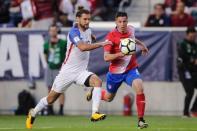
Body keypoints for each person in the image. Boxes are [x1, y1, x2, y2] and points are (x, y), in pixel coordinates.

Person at [26, 7, 111, 129]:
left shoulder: (87, 30)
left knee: (97, 81)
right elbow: (82, 47)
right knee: (50, 99)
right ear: (78, 19)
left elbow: (87, 35)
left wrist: (91, 37)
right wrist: (101, 44)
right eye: (85, 19)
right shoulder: (73, 32)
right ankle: (33, 112)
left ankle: (94, 113)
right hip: (67, 72)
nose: (87, 22)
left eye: (89, 19)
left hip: (81, 72)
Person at [86, 12, 149, 129]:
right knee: (109, 98)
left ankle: (141, 120)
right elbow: (106, 57)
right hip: (115, 73)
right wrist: (121, 53)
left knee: (140, 87)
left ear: (127, 22)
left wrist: (142, 45)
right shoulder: (111, 37)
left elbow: (133, 39)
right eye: (120, 22)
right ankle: (95, 92)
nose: (123, 24)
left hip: (131, 69)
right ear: (116, 22)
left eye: (125, 21)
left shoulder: (131, 29)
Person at [43, 24, 67, 115]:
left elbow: (66, 55)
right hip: (50, 67)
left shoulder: (63, 43)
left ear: (57, 31)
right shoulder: (46, 43)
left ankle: (61, 109)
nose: (53, 32)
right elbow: (45, 56)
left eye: (54, 30)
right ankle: (50, 108)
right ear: (49, 32)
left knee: (60, 89)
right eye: (51, 30)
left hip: (59, 68)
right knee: (49, 88)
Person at [177, 26, 197, 117]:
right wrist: (192, 60)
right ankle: (185, 113)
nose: (193, 38)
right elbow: (182, 56)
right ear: (187, 35)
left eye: (195, 36)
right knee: (190, 91)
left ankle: (194, 110)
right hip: (185, 71)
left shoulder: (195, 45)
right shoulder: (182, 44)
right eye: (192, 36)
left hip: (194, 71)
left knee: (191, 91)